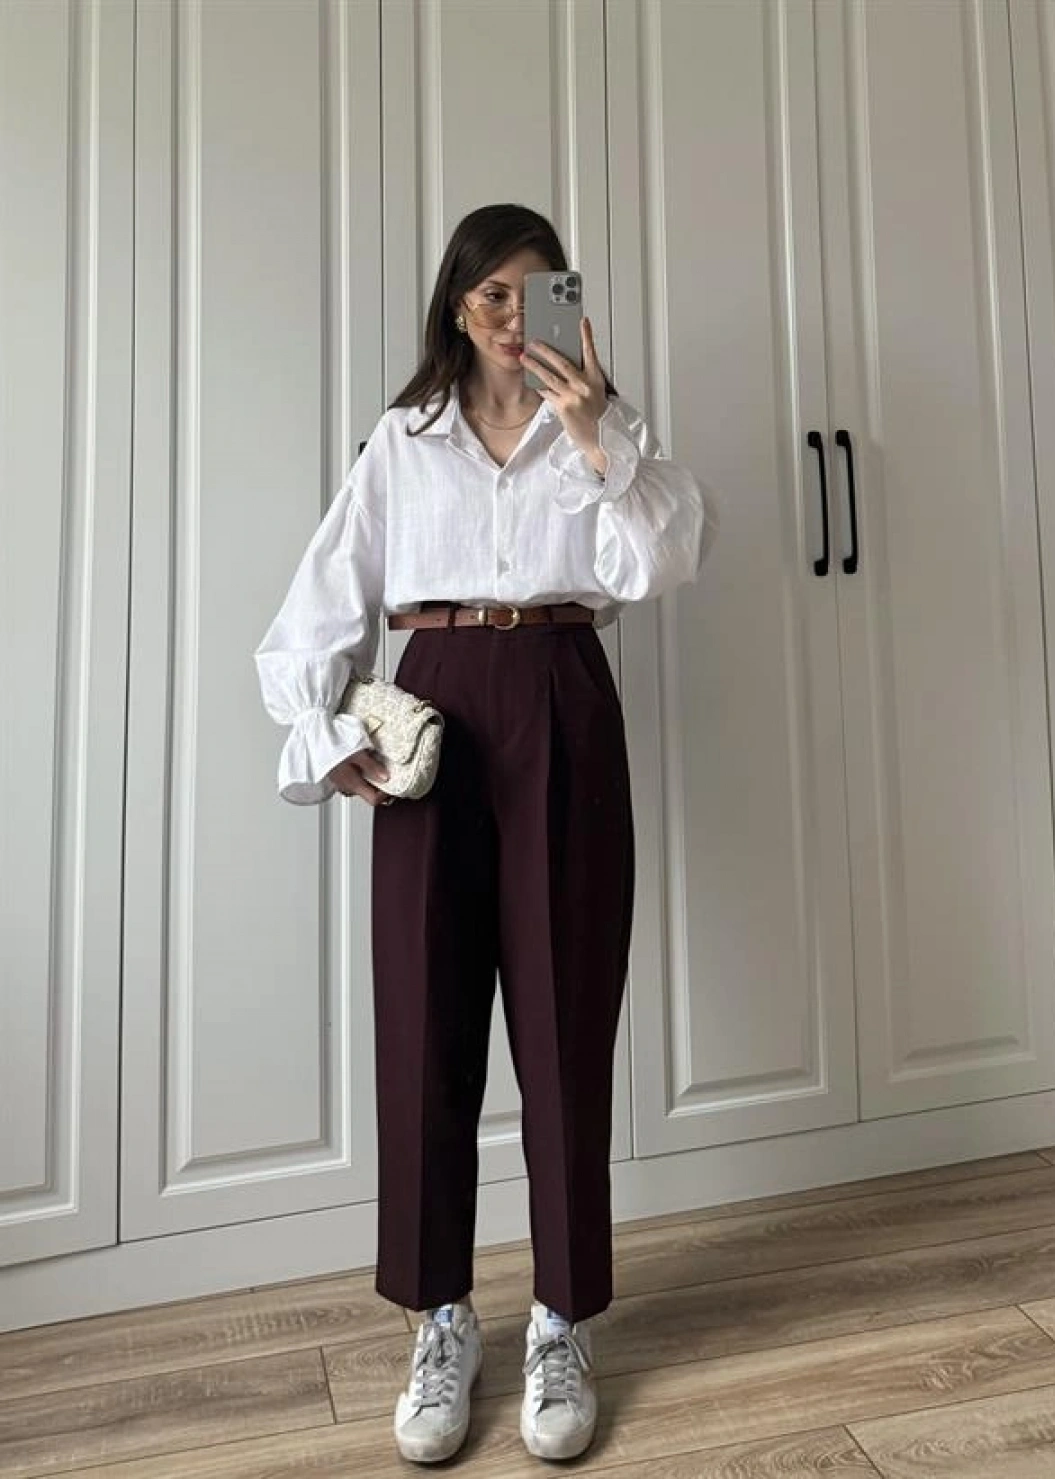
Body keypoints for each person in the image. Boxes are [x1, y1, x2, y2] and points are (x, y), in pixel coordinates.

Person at [255, 203, 710, 1464]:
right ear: (458, 306)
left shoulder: (604, 431)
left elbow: (670, 559)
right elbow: (314, 609)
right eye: (495, 296)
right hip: (436, 708)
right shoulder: (402, 443)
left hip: (564, 697)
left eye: (539, 292)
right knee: (425, 1022)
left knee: (566, 1021)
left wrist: (597, 433)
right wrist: (323, 734)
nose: (517, 319)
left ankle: (561, 1317)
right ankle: (440, 1315)